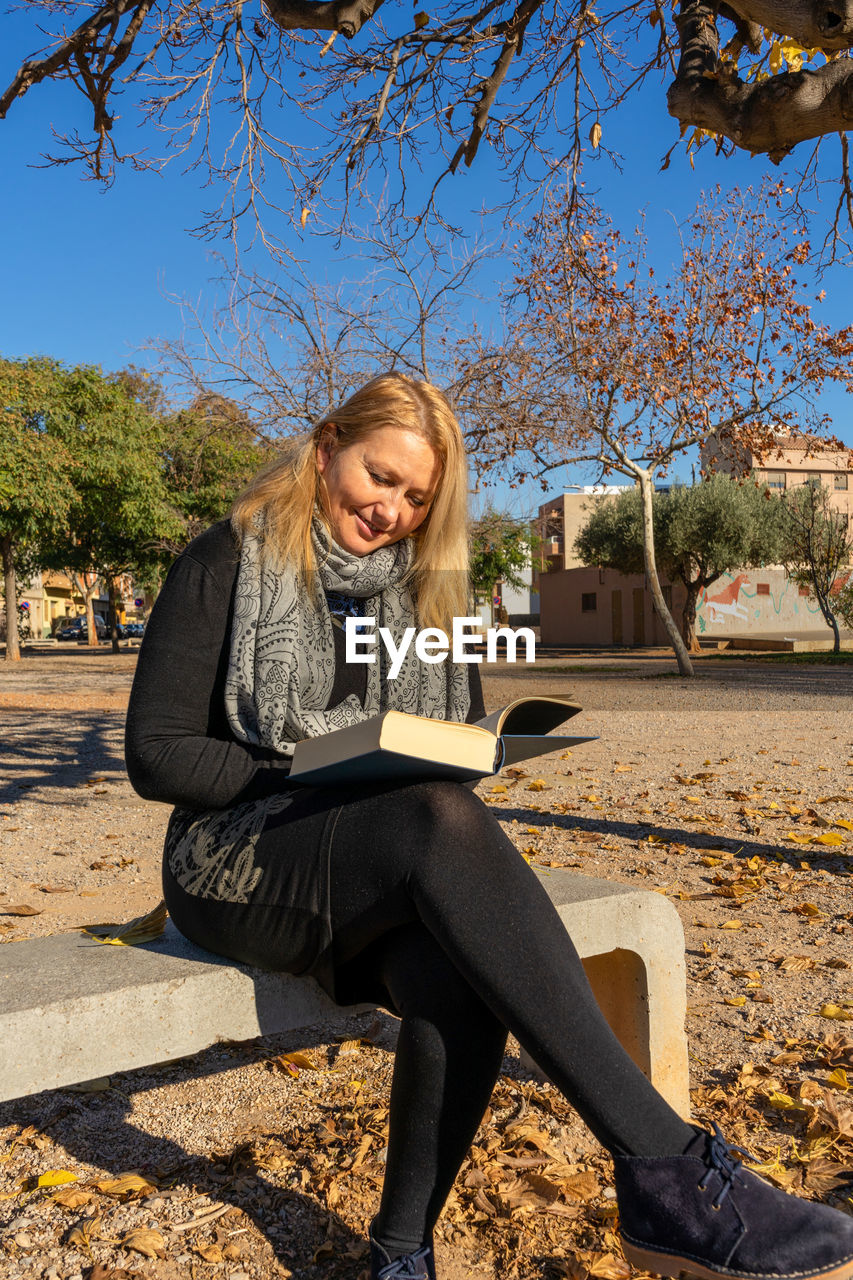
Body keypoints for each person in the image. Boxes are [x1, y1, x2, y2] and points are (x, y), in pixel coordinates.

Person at [126, 373, 853, 1280]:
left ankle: (400, 1256)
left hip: (372, 853)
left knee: (457, 971)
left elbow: (451, 738)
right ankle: (666, 1166)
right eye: (377, 477)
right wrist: (304, 766)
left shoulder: (429, 595)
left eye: (416, 496)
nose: (390, 509)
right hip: (231, 857)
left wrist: (461, 749)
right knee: (435, 815)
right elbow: (155, 754)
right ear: (325, 451)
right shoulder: (228, 559)